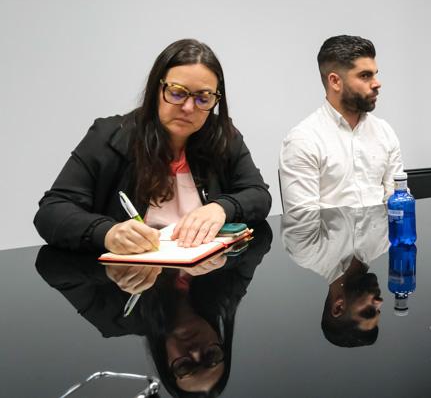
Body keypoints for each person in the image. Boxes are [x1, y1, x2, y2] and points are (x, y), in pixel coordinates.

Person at [34, 39, 271, 254]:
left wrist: (221, 208)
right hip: (129, 285)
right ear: (156, 89)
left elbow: (258, 195)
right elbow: (51, 211)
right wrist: (106, 233)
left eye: (203, 97)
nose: (189, 107)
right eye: (177, 93)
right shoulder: (109, 137)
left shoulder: (224, 136)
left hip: (205, 281)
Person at [35, 221, 272, 397]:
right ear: (222, 345)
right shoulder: (229, 291)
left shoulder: (114, 318)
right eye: (212, 357)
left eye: (185, 366)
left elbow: (51, 270)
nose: (196, 353)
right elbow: (262, 236)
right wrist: (222, 209)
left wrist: (108, 248)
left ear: (165, 363)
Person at [279, 35, 404, 213]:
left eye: (375, 74)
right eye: (365, 76)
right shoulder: (303, 139)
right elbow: (304, 223)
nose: (377, 84)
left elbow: (397, 201)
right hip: (330, 240)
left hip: (383, 239)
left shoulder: (384, 131)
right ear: (335, 81)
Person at [282, 205, 387, 347]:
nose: (379, 302)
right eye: (378, 310)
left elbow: (299, 185)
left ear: (338, 307)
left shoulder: (306, 251)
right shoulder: (386, 241)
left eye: (368, 311)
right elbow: (399, 186)